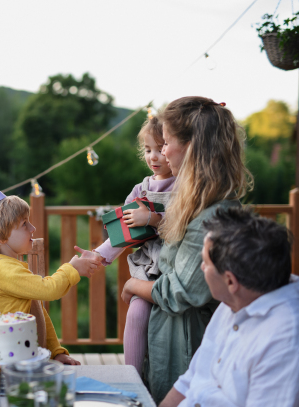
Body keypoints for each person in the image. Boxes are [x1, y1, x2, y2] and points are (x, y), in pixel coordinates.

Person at [120, 97, 253, 403]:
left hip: (187, 342)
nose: (162, 152)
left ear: (191, 147)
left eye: (166, 142)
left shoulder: (212, 214)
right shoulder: (196, 202)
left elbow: (181, 292)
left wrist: (133, 284)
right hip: (172, 337)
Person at [160, 207, 299, 407]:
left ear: (231, 281)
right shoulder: (235, 300)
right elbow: (191, 379)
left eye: (205, 263)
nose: (202, 268)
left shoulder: (285, 341)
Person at [0, 164, 99, 365]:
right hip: (12, 364)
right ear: (1, 237)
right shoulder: (4, 269)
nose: (33, 228)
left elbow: (40, 314)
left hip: (29, 358)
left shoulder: (11, 265)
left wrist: (56, 352)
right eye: (24, 224)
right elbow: (49, 290)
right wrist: (72, 268)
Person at [92, 116, 175, 375]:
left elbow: (183, 225)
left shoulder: (184, 186)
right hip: (148, 266)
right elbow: (122, 233)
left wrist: (151, 218)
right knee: (137, 313)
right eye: (148, 149)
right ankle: (133, 376)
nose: (154, 156)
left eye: (160, 148)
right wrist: (98, 256)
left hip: (174, 266)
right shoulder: (140, 189)